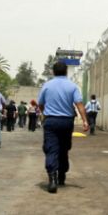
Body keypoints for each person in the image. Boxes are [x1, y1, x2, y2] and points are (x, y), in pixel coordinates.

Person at [38, 61, 89, 193]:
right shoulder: (72, 86)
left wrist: (45, 114)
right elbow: (79, 105)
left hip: (51, 121)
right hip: (67, 122)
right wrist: (85, 121)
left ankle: (52, 179)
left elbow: (41, 104)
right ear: (66, 71)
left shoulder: (46, 86)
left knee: (51, 149)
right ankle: (62, 174)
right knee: (64, 148)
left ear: (53, 72)